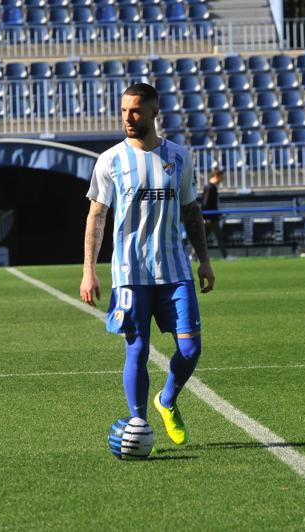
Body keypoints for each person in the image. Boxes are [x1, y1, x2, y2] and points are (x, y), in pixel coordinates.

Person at [79, 83, 215, 446]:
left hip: (175, 271)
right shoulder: (110, 160)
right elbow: (97, 217)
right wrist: (88, 270)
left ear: (155, 112)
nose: (127, 117)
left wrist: (204, 261)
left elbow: (191, 211)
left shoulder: (180, 157)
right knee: (137, 349)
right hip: (129, 275)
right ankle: (139, 424)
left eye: (135, 111)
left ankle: (167, 399)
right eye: (123, 110)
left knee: (190, 349)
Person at [201, 168, 229, 260]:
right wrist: (206, 216)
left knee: (202, 239)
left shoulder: (210, 187)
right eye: (221, 177)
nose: (222, 180)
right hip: (211, 219)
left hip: (211, 217)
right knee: (219, 237)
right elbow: (205, 203)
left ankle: (193, 256)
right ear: (217, 176)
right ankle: (226, 256)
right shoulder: (210, 187)